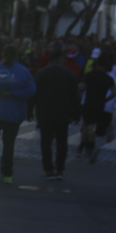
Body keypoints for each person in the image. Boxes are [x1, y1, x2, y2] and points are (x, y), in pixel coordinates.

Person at [0, 43, 35, 183]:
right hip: (13, 113)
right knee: (9, 145)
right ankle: (7, 174)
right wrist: (14, 94)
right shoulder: (23, 71)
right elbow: (31, 91)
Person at [33, 40, 79, 179]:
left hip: (45, 112)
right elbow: (74, 95)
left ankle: (48, 169)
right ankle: (59, 169)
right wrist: (76, 113)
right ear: (61, 59)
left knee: (46, 142)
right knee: (61, 142)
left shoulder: (42, 73)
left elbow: (35, 93)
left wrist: (31, 110)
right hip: (62, 113)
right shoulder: (68, 73)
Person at [78, 53, 116, 163]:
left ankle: (89, 146)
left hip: (88, 103)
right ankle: (96, 147)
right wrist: (105, 100)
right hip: (100, 104)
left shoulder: (90, 75)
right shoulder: (109, 78)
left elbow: (81, 87)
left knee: (88, 126)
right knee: (97, 125)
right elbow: (114, 93)